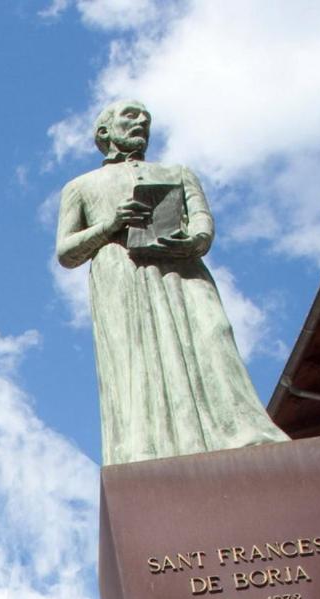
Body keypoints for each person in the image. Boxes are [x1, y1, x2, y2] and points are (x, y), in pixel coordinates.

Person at [56, 100, 288, 465]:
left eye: (145, 117)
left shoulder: (177, 172)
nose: (142, 121)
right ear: (103, 132)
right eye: (130, 115)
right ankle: (146, 449)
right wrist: (111, 225)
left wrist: (193, 241)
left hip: (182, 270)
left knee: (213, 337)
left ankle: (244, 434)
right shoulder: (81, 186)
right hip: (122, 276)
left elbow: (202, 224)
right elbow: (66, 251)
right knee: (135, 358)